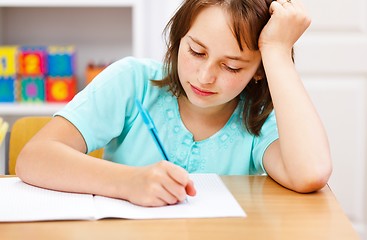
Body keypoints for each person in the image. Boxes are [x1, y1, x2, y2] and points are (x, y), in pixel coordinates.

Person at [16, 0, 332, 207]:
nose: (205, 77)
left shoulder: (259, 117)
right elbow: (34, 158)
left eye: (232, 67)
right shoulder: (132, 82)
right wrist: (128, 182)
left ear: (258, 72)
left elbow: (311, 173)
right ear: (178, 40)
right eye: (196, 52)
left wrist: (276, 50)